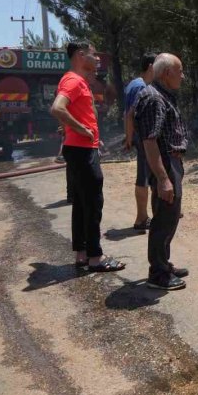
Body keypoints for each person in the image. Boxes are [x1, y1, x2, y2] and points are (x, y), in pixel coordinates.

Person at [50, 40, 125, 273]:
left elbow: (69, 112)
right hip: (81, 150)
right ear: (81, 55)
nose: (98, 58)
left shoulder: (77, 80)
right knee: (93, 203)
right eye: (94, 54)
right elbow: (57, 108)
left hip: (81, 147)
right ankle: (95, 257)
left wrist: (86, 133)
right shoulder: (73, 80)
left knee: (82, 203)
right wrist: (82, 130)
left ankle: (82, 254)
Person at [134, 53, 189, 291]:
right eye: (180, 71)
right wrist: (163, 179)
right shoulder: (154, 98)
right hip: (164, 162)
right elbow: (149, 141)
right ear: (167, 73)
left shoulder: (161, 95)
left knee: (170, 216)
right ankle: (157, 273)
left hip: (171, 161)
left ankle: (163, 264)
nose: (183, 76)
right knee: (164, 219)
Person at [123, 52, 157, 231]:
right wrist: (130, 138)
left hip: (137, 137)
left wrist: (128, 138)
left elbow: (126, 114)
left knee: (146, 176)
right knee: (143, 178)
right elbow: (130, 115)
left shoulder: (134, 84)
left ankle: (145, 216)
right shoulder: (140, 87)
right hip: (142, 138)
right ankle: (141, 219)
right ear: (151, 66)